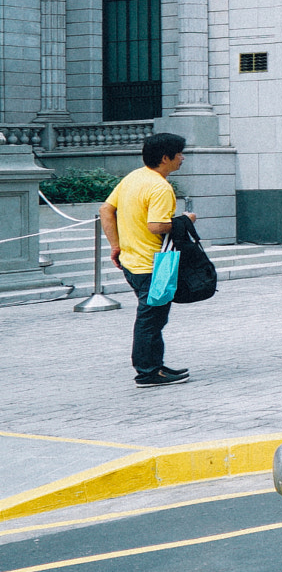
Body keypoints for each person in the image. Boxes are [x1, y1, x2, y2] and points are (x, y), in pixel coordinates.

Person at [100, 132, 189, 388]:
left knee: (152, 317)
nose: (182, 158)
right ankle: (148, 372)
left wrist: (115, 246)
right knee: (151, 319)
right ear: (165, 158)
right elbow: (157, 225)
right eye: (179, 154)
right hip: (154, 265)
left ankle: (155, 365)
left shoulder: (133, 178)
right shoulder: (160, 187)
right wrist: (186, 221)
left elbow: (106, 209)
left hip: (131, 262)